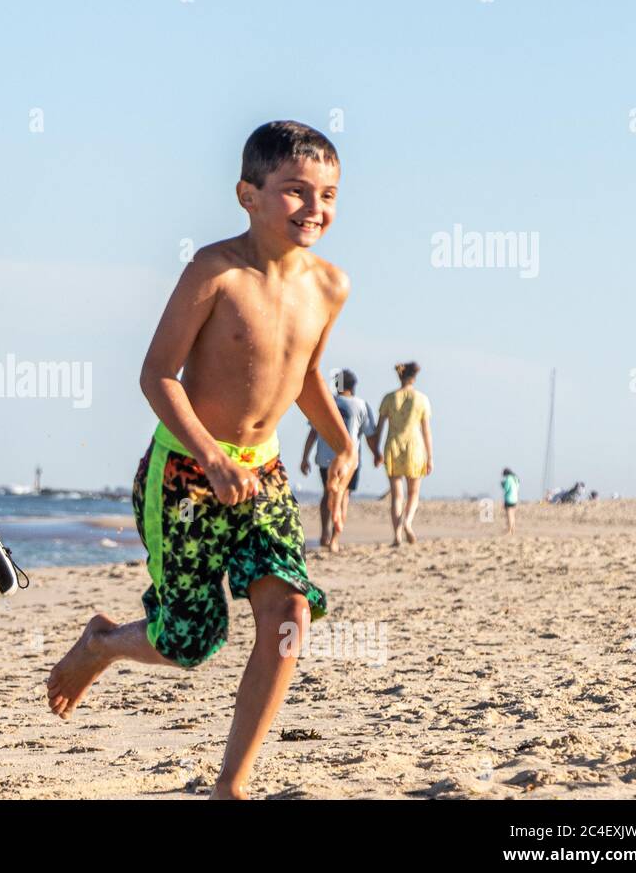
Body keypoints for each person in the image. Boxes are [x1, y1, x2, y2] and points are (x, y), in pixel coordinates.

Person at [46, 121, 356, 800]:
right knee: (189, 641)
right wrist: (211, 456)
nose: (315, 209)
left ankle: (231, 785)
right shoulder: (215, 271)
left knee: (288, 617)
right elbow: (158, 374)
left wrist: (343, 441)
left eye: (328, 194)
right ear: (248, 194)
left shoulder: (331, 286)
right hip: (184, 475)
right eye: (295, 192)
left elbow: (305, 374)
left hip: (265, 476)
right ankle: (101, 643)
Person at [299, 369, 380, 551]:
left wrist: (305, 458)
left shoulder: (326, 404)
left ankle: (324, 534)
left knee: (327, 494)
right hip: (349, 460)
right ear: (353, 386)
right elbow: (369, 435)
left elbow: (313, 432)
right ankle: (335, 539)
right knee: (342, 497)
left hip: (324, 456)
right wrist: (376, 453)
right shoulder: (360, 405)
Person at [370, 362, 432, 546]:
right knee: (413, 492)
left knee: (397, 495)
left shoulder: (389, 398)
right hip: (415, 446)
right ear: (414, 377)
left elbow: (379, 428)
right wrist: (430, 457)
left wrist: (376, 451)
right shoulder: (421, 399)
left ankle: (397, 535)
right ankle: (408, 521)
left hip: (393, 445)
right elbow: (426, 430)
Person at [501, 467, 519, 535]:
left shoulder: (508, 479)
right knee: (513, 515)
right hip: (515, 498)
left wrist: (503, 485)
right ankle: (513, 530)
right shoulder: (515, 478)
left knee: (509, 515)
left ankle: (509, 530)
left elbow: (506, 488)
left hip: (509, 498)